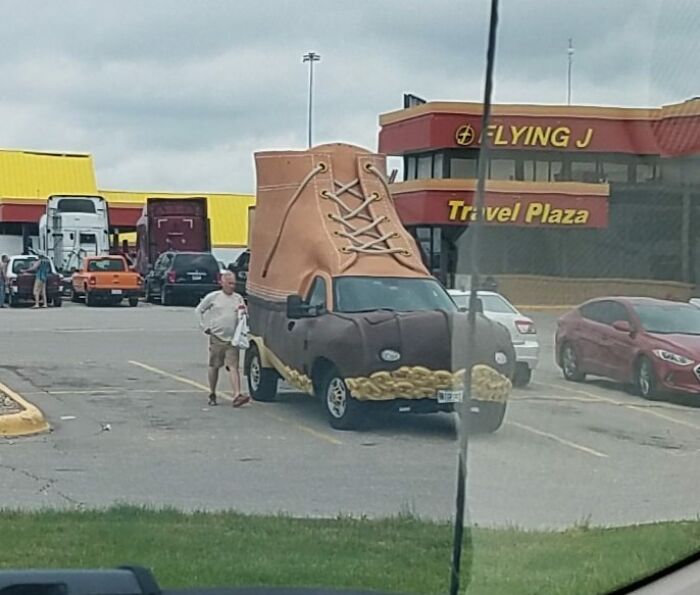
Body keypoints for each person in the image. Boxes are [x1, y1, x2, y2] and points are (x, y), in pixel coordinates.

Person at [195, 271, 249, 407]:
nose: (232, 286)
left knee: (233, 366)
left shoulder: (238, 298)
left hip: (233, 339)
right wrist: (204, 326)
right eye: (230, 283)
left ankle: (237, 395)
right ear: (222, 283)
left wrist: (243, 317)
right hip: (217, 337)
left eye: (234, 284)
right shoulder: (214, 297)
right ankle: (212, 392)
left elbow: (243, 316)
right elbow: (199, 310)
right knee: (214, 366)